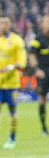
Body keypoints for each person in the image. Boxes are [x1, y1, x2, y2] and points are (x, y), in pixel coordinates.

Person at [0, 15, 27, 149]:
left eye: (5, 23)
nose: (3, 26)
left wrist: (9, 68)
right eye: (1, 23)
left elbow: (22, 61)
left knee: (12, 110)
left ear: (9, 24)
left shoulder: (16, 40)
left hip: (11, 83)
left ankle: (12, 138)